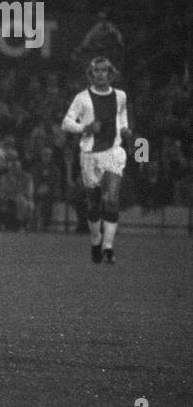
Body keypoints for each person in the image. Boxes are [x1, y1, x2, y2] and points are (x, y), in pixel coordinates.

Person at [61, 56, 132, 263]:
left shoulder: (120, 96)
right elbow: (66, 123)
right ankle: (96, 239)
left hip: (113, 153)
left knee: (111, 199)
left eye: (104, 70)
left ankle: (109, 247)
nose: (100, 74)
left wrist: (126, 130)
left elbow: (122, 118)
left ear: (110, 73)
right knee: (93, 205)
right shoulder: (82, 98)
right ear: (91, 74)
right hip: (90, 155)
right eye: (96, 71)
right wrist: (85, 128)